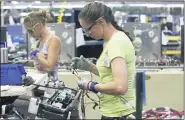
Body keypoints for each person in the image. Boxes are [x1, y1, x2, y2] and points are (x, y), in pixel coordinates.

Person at [71, 2, 136, 120]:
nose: (88, 34)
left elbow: (120, 87)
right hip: (112, 110)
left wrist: (91, 85)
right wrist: (90, 67)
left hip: (120, 113)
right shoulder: (108, 41)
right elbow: (110, 75)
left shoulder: (117, 43)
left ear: (101, 21)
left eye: (88, 29)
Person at [23, 10, 61, 95]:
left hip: (50, 88)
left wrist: (37, 53)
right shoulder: (38, 41)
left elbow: (48, 67)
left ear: (38, 26)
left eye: (30, 31)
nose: (30, 34)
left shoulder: (53, 40)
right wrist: (23, 63)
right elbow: (39, 64)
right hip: (39, 85)